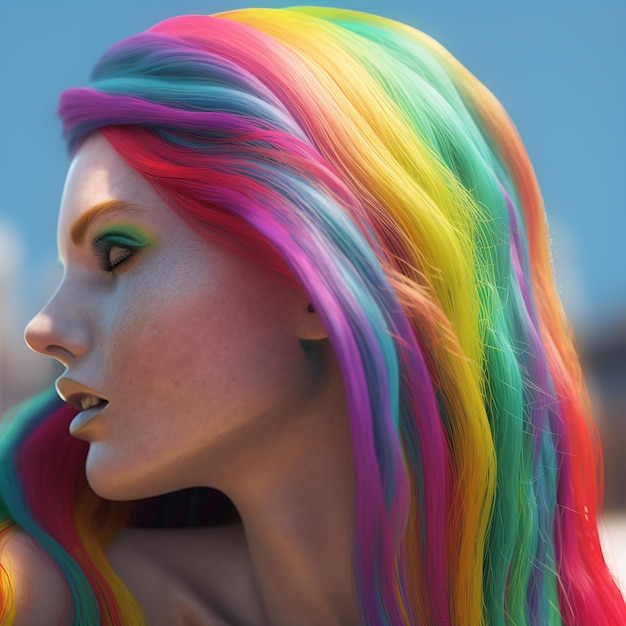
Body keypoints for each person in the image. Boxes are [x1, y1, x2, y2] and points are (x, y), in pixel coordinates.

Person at [0, 6, 624, 625]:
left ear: (315, 278)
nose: (43, 327)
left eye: (115, 254)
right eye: (64, 272)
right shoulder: (34, 598)